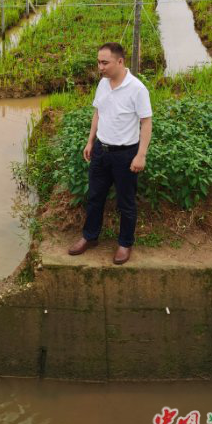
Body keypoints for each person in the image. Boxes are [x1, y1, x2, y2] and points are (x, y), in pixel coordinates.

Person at [68, 42, 152, 265]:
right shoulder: (103, 84)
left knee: (126, 202)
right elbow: (98, 113)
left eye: (104, 63)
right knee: (95, 196)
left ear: (120, 61)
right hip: (101, 151)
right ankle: (89, 236)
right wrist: (90, 141)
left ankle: (125, 243)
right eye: (98, 62)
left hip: (125, 154)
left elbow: (146, 122)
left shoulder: (137, 89)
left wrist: (141, 154)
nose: (100, 67)